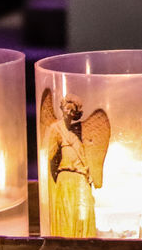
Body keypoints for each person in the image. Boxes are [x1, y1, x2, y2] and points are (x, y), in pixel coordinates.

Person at [41, 93, 109, 237]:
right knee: (67, 215)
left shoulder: (78, 135)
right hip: (66, 178)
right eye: (67, 109)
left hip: (80, 178)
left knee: (84, 214)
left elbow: (86, 158)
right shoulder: (56, 129)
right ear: (63, 109)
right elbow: (49, 156)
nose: (70, 113)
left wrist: (90, 175)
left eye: (73, 111)